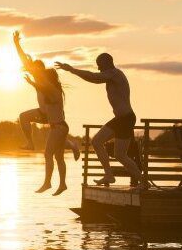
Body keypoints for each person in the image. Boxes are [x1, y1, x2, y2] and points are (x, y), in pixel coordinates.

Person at [55, 53, 142, 186]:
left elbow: (94, 77)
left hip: (126, 118)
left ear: (107, 63)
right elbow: (94, 78)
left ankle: (144, 182)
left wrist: (72, 70)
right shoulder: (110, 75)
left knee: (120, 155)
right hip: (120, 119)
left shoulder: (115, 73)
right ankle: (109, 175)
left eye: (100, 66)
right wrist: (73, 71)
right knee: (96, 142)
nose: (99, 69)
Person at [13, 31, 80, 160]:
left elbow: (27, 63)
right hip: (43, 113)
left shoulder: (45, 80)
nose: (31, 69)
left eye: (34, 69)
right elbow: (24, 60)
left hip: (51, 114)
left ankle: (72, 146)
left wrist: (33, 81)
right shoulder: (37, 77)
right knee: (23, 117)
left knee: (58, 144)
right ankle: (31, 142)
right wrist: (16, 44)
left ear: (40, 69)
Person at [24, 69, 69, 195]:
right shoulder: (52, 89)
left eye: (45, 77)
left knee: (48, 154)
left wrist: (31, 82)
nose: (43, 79)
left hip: (59, 128)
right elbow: (42, 88)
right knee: (59, 157)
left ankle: (47, 182)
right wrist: (32, 81)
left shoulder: (53, 89)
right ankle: (62, 184)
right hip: (60, 127)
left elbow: (42, 87)